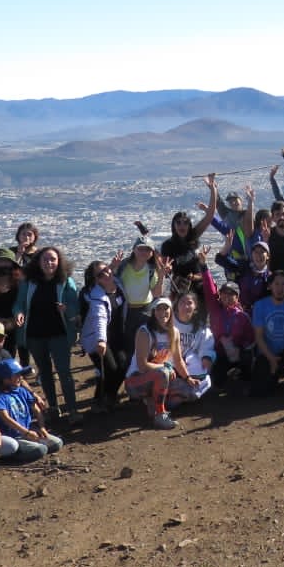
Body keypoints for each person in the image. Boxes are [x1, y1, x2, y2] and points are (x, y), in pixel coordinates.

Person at [14, 245, 81, 423]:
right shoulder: (29, 282)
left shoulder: (66, 281)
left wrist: (66, 309)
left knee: (64, 372)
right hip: (35, 334)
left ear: (59, 262)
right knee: (44, 372)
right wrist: (19, 313)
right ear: (38, 262)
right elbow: (19, 303)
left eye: (52, 259)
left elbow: (75, 307)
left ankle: (72, 409)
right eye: (45, 259)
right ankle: (53, 407)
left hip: (59, 333)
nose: (49, 263)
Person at [124, 297, 191, 428]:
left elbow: (178, 360)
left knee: (188, 391)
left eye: (166, 308)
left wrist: (188, 378)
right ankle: (160, 415)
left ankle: (151, 401)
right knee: (163, 373)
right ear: (153, 312)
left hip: (158, 376)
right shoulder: (145, 332)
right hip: (135, 381)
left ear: (171, 311)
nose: (162, 312)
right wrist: (166, 366)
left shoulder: (174, 332)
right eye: (158, 309)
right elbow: (142, 365)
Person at [80, 263, 129, 413]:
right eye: (101, 274)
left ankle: (110, 397)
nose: (107, 274)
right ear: (96, 280)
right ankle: (98, 401)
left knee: (123, 367)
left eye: (108, 269)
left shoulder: (119, 285)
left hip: (117, 337)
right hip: (97, 338)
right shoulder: (97, 296)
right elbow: (99, 318)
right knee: (109, 369)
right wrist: (101, 340)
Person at [0, 357, 65, 453]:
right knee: (40, 450)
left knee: (57, 443)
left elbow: (36, 410)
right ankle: (13, 453)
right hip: (13, 435)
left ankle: (28, 445)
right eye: (16, 375)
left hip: (29, 430)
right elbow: (6, 418)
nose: (20, 378)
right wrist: (26, 433)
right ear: (5, 379)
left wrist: (41, 427)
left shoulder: (22, 390)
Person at [161, 174, 220, 289]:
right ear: (173, 225)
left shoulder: (194, 235)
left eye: (185, 223)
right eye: (178, 223)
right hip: (180, 288)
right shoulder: (167, 246)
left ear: (189, 225)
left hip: (200, 285)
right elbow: (164, 271)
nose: (182, 226)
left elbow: (210, 215)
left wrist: (213, 189)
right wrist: (166, 269)